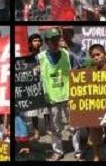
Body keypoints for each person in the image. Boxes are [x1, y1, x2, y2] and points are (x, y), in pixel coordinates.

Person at [37, 28, 70, 161]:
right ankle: (58, 151)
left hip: (68, 95)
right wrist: (35, 71)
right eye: (52, 40)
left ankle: (78, 150)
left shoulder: (67, 54)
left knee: (74, 124)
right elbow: (35, 76)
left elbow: (79, 64)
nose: (56, 42)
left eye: (57, 39)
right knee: (55, 128)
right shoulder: (40, 58)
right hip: (52, 98)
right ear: (47, 42)